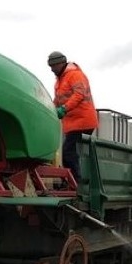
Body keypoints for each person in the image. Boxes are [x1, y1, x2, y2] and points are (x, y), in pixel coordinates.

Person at [48, 51, 98, 184]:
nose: (52, 69)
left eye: (53, 66)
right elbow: (58, 100)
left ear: (61, 63)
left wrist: (64, 109)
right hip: (73, 123)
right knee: (70, 152)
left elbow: (79, 94)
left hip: (83, 121)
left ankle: (76, 183)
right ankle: (74, 181)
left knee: (68, 151)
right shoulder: (60, 80)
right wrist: (49, 109)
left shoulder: (75, 75)